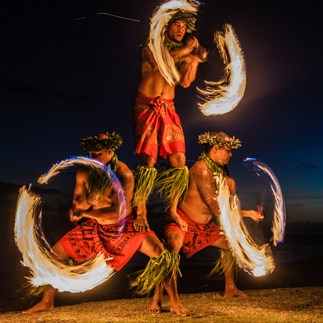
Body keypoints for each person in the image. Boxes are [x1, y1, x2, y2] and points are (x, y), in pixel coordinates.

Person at [22, 131, 190, 316]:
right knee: (54, 254)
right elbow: (77, 203)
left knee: (162, 255)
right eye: (91, 154)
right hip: (96, 227)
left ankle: (174, 302)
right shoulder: (85, 171)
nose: (93, 157)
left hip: (125, 227)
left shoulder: (123, 174)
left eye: (98, 153)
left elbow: (115, 213)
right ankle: (47, 301)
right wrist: (89, 200)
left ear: (110, 151)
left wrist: (86, 211)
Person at [150, 131, 265, 311]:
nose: (231, 154)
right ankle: (162, 300)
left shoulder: (220, 170)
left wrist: (232, 188)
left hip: (204, 227)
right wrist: (248, 213)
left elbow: (227, 202)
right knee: (171, 251)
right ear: (215, 148)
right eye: (228, 150)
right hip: (183, 222)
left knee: (229, 244)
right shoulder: (202, 169)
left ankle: (230, 288)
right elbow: (217, 208)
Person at [132, 4, 208, 232]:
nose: (181, 29)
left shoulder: (181, 52)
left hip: (169, 108)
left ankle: (171, 209)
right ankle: (141, 210)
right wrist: (187, 50)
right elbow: (160, 64)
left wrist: (193, 60)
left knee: (179, 161)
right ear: (166, 26)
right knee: (149, 161)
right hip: (147, 105)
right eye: (177, 24)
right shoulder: (151, 45)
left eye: (185, 26)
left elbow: (185, 82)